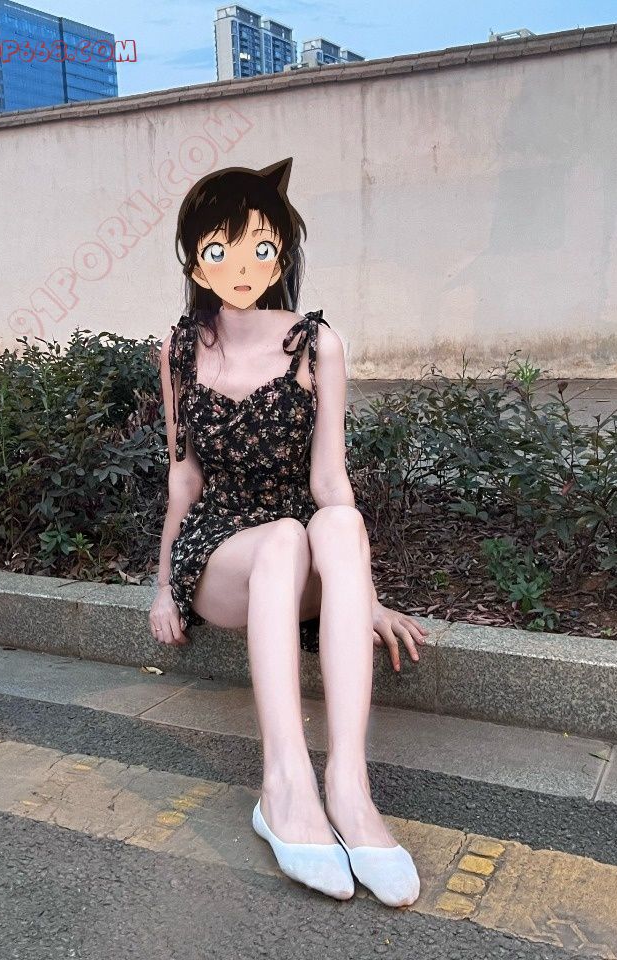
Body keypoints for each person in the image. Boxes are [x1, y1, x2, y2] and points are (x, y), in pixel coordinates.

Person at [149, 157, 428, 905]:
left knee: (332, 521)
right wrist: (163, 585)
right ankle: (284, 788)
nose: (241, 267)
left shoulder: (316, 345)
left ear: (283, 254)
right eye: (220, 249)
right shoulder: (179, 349)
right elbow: (183, 478)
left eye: (260, 247)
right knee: (281, 537)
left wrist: (363, 595)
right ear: (194, 260)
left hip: (300, 546)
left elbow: (331, 482)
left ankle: (350, 789)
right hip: (221, 553)